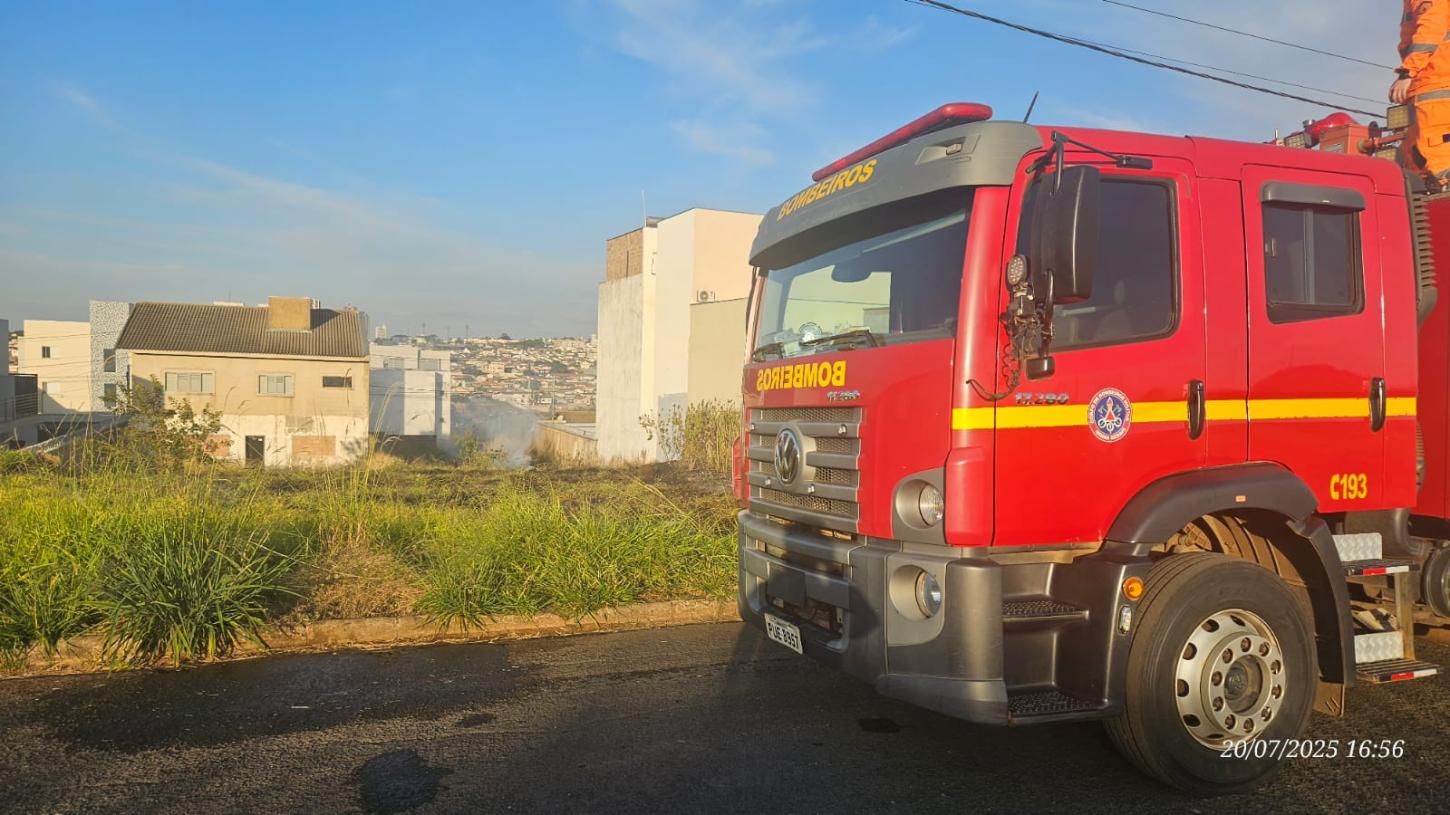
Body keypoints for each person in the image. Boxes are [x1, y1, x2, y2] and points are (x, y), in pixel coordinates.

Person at [1395, 0, 1450, 187]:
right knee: (1416, 159)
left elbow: (1431, 28)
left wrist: (1408, 71)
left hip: (1435, 86)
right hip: (1427, 86)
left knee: (1435, 155)